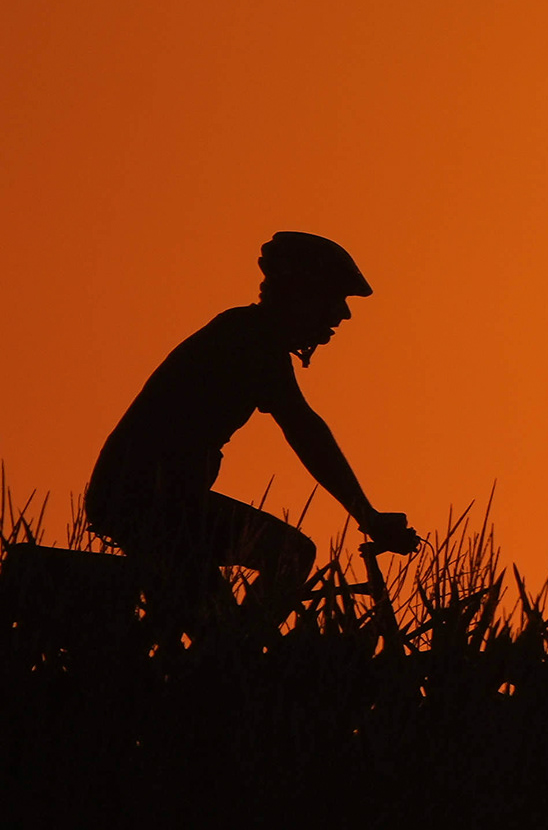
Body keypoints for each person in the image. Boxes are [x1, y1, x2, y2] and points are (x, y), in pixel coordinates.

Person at [85, 232, 421, 632]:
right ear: (300, 295)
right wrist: (366, 514)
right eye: (334, 300)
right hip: (154, 502)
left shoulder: (248, 335)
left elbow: (303, 426)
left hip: (154, 499)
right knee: (290, 556)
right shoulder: (249, 339)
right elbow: (304, 429)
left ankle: (226, 660)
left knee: (213, 623)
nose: (341, 315)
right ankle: (235, 664)